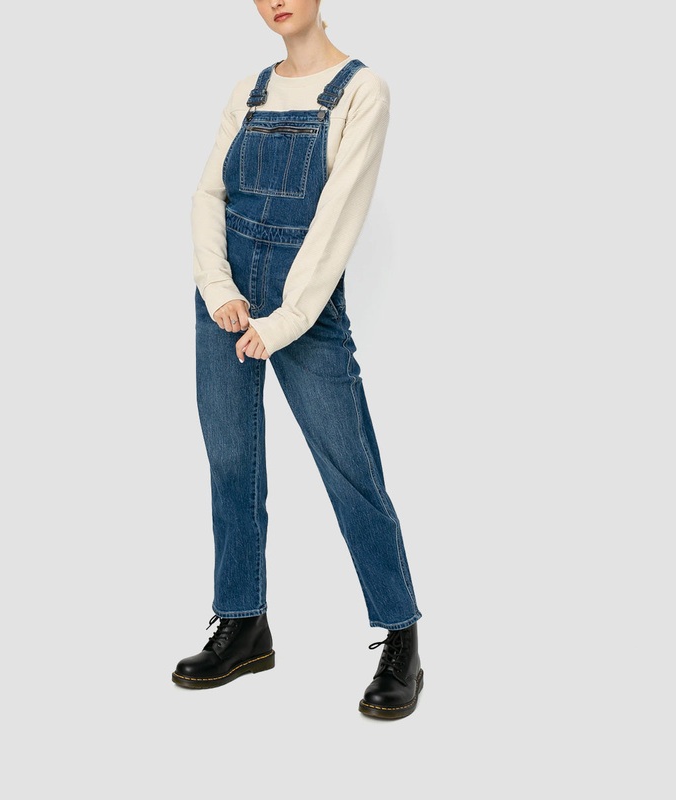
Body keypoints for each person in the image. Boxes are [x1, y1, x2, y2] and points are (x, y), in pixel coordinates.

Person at [172, 0, 423, 720]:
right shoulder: (249, 91)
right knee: (231, 462)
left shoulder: (361, 90)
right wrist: (219, 289)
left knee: (351, 468)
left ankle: (401, 638)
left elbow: (339, 217)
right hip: (224, 297)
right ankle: (243, 624)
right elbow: (208, 194)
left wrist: (284, 321)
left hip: (301, 302)